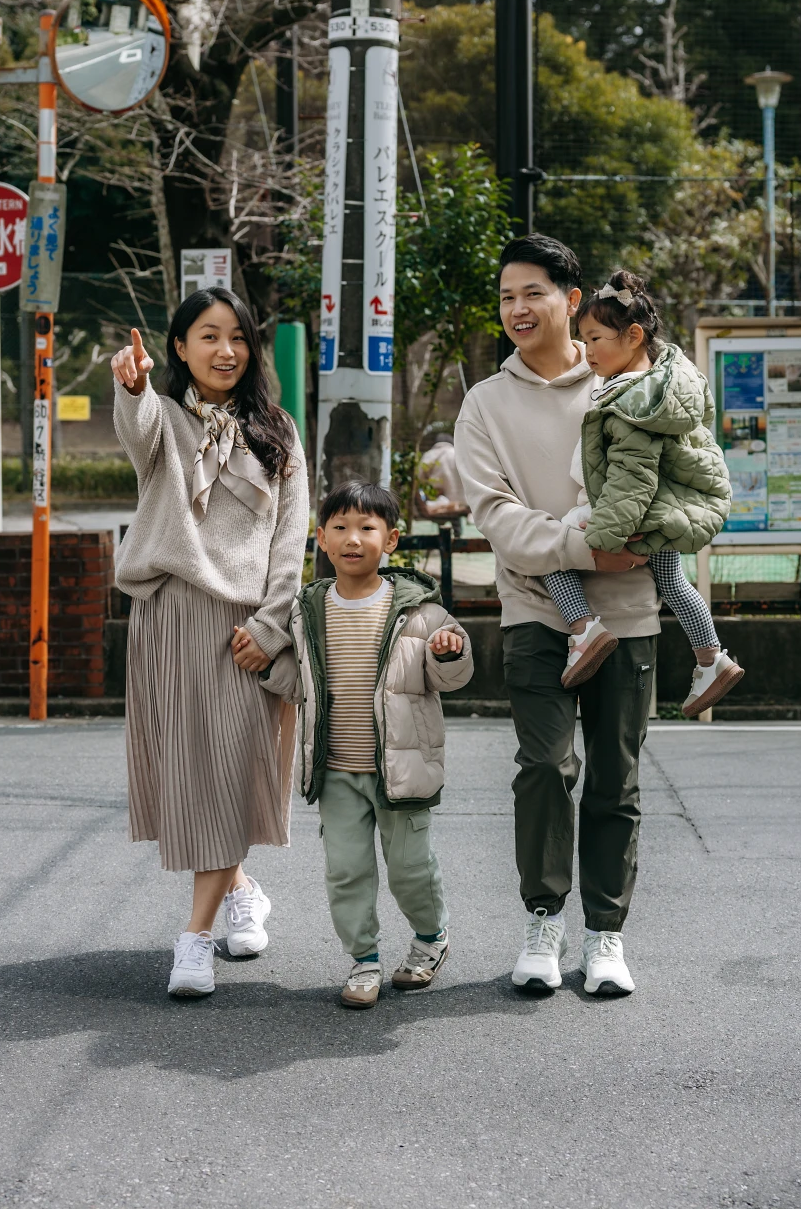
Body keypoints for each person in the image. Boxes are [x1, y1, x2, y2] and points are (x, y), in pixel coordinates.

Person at [454, 234, 660, 997]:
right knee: (544, 766)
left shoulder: (629, 383)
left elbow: (668, 484)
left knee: (616, 778)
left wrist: (625, 549)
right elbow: (498, 518)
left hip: (631, 611)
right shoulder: (484, 403)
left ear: (571, 301)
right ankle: (543, 919)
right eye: (506, 296)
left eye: (531, 293)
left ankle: (605, 934)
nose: (516, 308)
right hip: (536, 610)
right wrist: (590, 546)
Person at [110, 288, 309, 999]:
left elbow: (289, 544)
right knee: (192, 778)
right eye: (208, 336)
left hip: (243, 629)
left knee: (231, 772)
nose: (225, 350)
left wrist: (271, 626)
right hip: (168, 614)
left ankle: (192, 940)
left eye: (237, 337)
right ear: (179, 347)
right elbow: (135, 428)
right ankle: (240, 890)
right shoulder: (161, 418)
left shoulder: (278, 430)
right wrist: (128, 386)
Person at [260, 481, 473, 1008]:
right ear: (322, 541)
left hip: (400, 772)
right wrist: (265, 663)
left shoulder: (420, 611)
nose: (353, 539)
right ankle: (365, 960)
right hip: (335, 769)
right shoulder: (307, 608)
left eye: (367, 528)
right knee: (347, 871)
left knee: (410, 869)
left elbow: (451, 678)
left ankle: (430, 938)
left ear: (392, 540)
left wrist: (449, 653)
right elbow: (297, 683)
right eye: (340, 528)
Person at [543, 269, 742, 718]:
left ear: (633, 335)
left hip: (634, 514)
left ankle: (583, 630)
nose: (587, 351)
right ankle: (711, 657)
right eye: (584, 340)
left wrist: (604, 539)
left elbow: (633, 475)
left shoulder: (633, 401)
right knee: (672, 581)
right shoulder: (666, 383)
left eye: (595, 339)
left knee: (552, 551)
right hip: (668, 510)